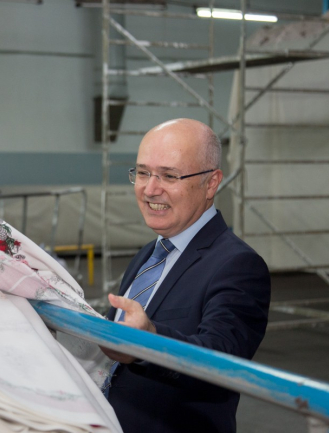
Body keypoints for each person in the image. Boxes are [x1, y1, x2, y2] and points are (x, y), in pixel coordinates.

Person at [101, 118, 270, 433]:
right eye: (143, 173)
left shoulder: (239, 265)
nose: (150, 189)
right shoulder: (148, 255)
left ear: (211, 183)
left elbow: (222, 360)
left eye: (169, 176)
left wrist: (149, 340)